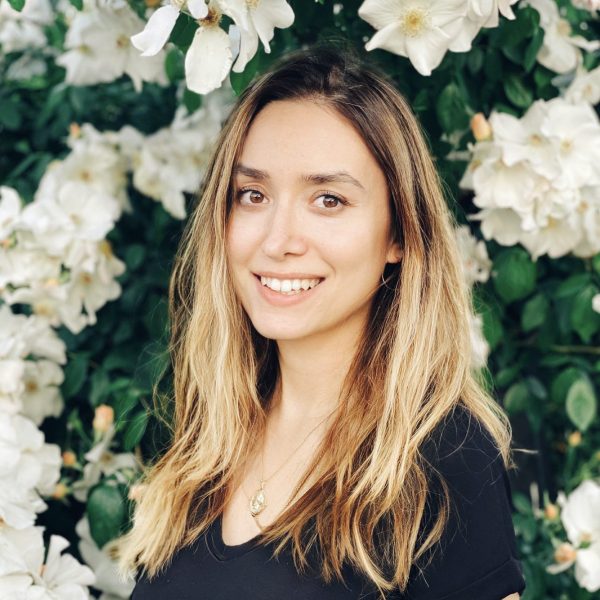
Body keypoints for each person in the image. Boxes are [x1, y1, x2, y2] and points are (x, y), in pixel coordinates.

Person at [120, 44, 526, 599]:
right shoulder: (205, 443)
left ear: (400, 234)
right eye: (253, 194)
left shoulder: (443, 461)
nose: (278, 240)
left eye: (328, 199)